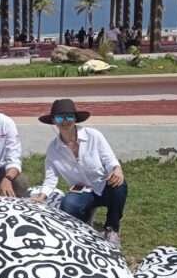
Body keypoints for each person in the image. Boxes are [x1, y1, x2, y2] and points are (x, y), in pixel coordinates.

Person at [33, 99, 127, 247]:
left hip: (103, 185)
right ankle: (83, 228)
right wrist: (41, 196)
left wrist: (117, 169)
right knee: (68, 204)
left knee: (119, 186)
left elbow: (109, 159)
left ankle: (112, 229)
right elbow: (51, 178)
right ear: (54, 121)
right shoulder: (53, 148)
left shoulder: (93, 135)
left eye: (69, 116)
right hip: (82, 191)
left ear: (75, 118)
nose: (65, 121)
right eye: (59, 117)